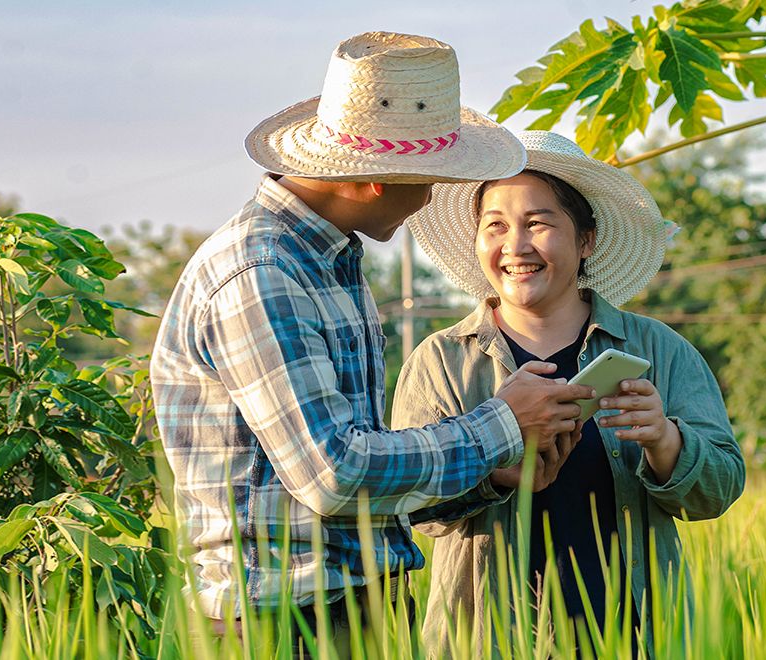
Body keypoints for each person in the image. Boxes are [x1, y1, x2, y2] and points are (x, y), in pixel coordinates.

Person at [149, 33, 594, 653]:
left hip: (352, 606)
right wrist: (503, 421)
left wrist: (490, 475)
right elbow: (333, 472)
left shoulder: (328, 259)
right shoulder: (262, 274)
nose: (432, 198)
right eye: (432, 180)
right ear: (373, 182)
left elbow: (361, 472)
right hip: (283, 622)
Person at [392, 131, 745, 657]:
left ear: (587, 240)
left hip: (639, 635)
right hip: (487, 639)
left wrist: (666, 441)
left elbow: (720, 489)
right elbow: (407, 504)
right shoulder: (441, 362)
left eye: (538, 222)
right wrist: (494, 472)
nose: (515, 246)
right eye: (495, 226)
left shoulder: (659, 349)